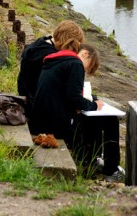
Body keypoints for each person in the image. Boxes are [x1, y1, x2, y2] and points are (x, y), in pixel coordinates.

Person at [29, 43, 124, 182]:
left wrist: (79, 106)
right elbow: (75, 99)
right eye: (89, 67)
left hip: (41, 120)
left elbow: (63, 95)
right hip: (56, 125)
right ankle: (111, 170)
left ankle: (92, 161)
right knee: (110, 120)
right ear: (85, 54)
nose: (85, 71)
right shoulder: (75, 64)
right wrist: (93, 105)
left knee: (92, 119)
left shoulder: (55, 60)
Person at [17, 20, 85, 113]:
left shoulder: (40, 43)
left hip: (26, 95)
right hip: (36, 105)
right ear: (69, 42)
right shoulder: (51, 57)